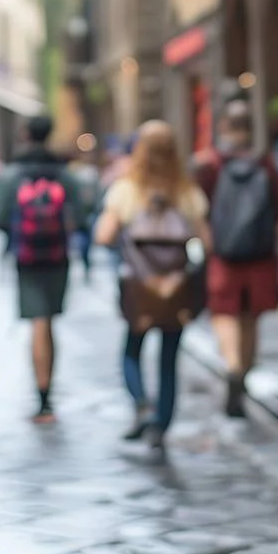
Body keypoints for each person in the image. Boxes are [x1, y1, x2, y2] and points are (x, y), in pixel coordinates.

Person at [95, 120, 212, 449]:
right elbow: (207, 240)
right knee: (169, 357)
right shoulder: (186, 192)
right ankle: (161, 425)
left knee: (132, 350)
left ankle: (141, 405)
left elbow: (104, 236)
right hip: (176, 289)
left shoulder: (126, 190)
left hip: (139, 288)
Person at [194, 99, 278, 417]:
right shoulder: (266, 165)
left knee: (224, 315)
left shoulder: (210, 165)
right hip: (261, 257)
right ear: (251, 128)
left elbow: (198, 214)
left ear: (222, 126)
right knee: (250, 319)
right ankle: (243, 374)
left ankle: (233, 367)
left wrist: (209, 245)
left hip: (224, 257)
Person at [0, 116, 79, 424]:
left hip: (27, 257)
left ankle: (43, 399)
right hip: (57, 256)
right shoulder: (63, 173)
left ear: (26, 135)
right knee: (49, 321)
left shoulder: (12, 174)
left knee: (37, 324)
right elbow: (81, 213)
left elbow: (1, 215)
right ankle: (47, 394)